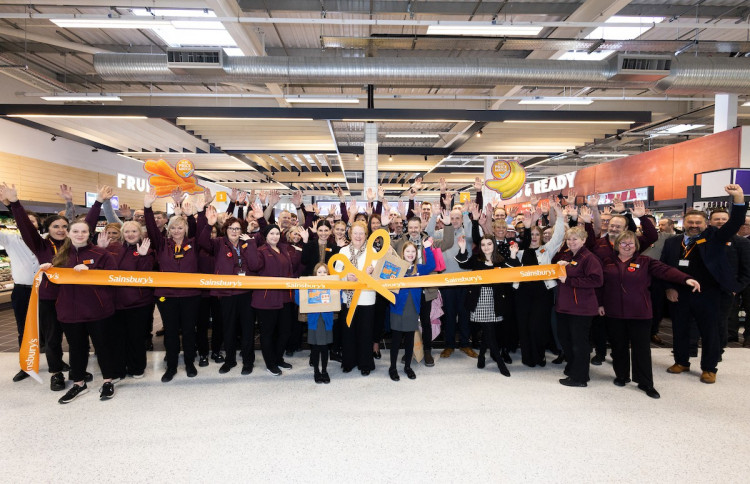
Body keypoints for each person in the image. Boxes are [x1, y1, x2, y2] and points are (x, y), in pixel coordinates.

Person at [2, 182, 104, 391]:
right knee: (52, 339)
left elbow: (88, 225)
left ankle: (78, 369)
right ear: (46, 229)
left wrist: (98, 203)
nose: (61, 230)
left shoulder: (75, 243)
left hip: (74, 298)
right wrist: (15, 203)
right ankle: (56, 372)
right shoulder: (40, 245)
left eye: (65, 227)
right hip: (49, 299)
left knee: (77, 338)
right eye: (56, 227)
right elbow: (25, 226)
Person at [660, 184, 747, 384]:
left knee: (710, 332)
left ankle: (709, 368)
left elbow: (735, 223)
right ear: (684, 222)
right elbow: (664, 267)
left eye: (698, 222)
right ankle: (681, 361)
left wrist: (739, 199)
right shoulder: (673, 242)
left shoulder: (715, 238)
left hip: (709, 294)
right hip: (680, 293)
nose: (694, 225)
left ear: (706, 223)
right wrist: (669, 288)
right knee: (680, 329)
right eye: (690, 222)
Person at [598, 231, 700, 399]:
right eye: (623, 243)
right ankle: (622, 376)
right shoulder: (607, 262)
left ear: (636, 246)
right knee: (618, 347)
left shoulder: (646, 261)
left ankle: (645, 382)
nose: (627, 246)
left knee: (642, 350)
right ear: (617, 246)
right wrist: (600, 303)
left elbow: (667, 271)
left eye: (630, 243)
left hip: (640, 313)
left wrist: (685, 279)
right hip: (614, 313)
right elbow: (601, 285)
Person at [42, 219, 118, 403]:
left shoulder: (101, 254)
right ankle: (78, 383)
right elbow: (52, 290)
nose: (79, 235)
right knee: (76, 349)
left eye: (84, 231)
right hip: (69, 312)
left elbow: (113, 279)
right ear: (68, 233)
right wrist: (47, 274)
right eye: (75, 231)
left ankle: (108, 381)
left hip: (97, 311)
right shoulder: (60, 257)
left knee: (103, 346)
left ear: (89, 233)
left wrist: (90, 272)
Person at [144, 188, 205, 383]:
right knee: (170, 331)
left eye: (180, 227)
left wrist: (200, 212)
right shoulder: (162, 244)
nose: (176, 231)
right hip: (166, 296)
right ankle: (171, 366)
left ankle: (189, 363)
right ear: (168, 230)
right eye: (173, 228)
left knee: (188, 330)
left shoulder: (193, 244)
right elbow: (152, 228)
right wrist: (147, 207)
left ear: (185, 229)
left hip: (190, 296)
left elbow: (201, 229)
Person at [200, 208, 256, 375]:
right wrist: (208, 225)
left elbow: (255, 263)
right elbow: (203, 242)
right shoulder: (218, 243)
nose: (234, 231)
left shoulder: (246, 242)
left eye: (238, 228)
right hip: (226, 293)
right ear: (226, 230)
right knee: (229, 328)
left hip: (246, 293)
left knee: (247, 329)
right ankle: (230, 360)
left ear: (242, 230)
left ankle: (248, 361)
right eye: (232, 228)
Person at [510, 201, 565, 367]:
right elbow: (524, 240)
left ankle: (539, 355)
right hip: (522, 293)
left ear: (541, 236)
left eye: (536, 234)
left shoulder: (546, 250)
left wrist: (560, 215)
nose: (533, 237)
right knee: (524, 326)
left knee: (537, 326)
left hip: (542, 293)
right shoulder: (519, 251)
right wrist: (529, 225)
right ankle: (528, 358)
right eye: (531, 234)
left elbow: (559, 236)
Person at [100, 220, 154, 380]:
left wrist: (144, 257)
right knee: (116, 338)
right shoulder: (112, 249)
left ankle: (137, 367)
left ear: (140, 234)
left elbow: (146, 276)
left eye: (134, 231)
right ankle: (118, 369)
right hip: (115, 303)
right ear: (123, 233)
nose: (130, 234)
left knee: (136, 337)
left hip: (138, 303)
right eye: (127, 231)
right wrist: (101, 250)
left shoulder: (147, 250)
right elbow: (101, 269)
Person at [456, 234, 514, 377]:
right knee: (489, 330)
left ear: (494, 245)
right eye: (483, 245)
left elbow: (514, 269)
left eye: (489, 244)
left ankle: (482, 355)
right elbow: (463, 264)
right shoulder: (476, 259)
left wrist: (513, 254)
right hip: (479, 298)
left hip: (496, 299)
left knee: (490, 330)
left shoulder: (500, 260)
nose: (486, 247)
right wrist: (463, 249)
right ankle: (500, 362)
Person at [555, 226, 603, 388]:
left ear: (583, 240)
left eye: (575, 238)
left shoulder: (589, 258)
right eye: (569, 239)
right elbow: (560, 276)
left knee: (579, 343)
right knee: (566, 339)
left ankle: (580, 377)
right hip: (564, 307)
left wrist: (567, 280)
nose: (571, 241)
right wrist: (558, 267)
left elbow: (596, 280)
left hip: (581, 308)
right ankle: (573, 368)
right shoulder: (568, 255)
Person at [245, 224, 296, 376]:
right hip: (267, 299)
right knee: (268, 333)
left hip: (285, 298)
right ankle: (270, 363)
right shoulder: (261, 250)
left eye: (277, 233)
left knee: (285, 331)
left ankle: (278, 358)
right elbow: (254, 266)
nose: (275, 236)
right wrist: (252, 244)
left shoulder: (283, 249)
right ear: (265, 236)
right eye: (271, 233)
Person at [388, 239, 435, 381]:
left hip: (412, 309)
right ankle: (392, 368)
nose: (410, 254)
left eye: (413, 251)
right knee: (396, 340)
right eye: (407, 251)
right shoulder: (396, 267)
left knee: (409, 340)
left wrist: (427, 248)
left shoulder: (419, 269)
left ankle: (407, 366)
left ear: (416, 254)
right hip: (397, 308)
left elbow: (432, 265)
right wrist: (389, 256)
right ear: (402, 253)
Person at [335, 221, 377, 376]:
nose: (358, 236)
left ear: (366, 235)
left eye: (361, 233)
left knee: (365, 332)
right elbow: (336, 272)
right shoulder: (343, 251)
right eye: (355, 233)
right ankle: (349, 361)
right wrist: (346, 276)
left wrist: (372, 271)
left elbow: (380, 275)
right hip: (348, 298)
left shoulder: (372, 251)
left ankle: (365, 363)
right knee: (348, 331)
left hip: (367, 298)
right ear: (350, 235)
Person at [295, 263, 336, 384]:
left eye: (324, 272)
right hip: (314, 321)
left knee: (324, 347)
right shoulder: (309, 286)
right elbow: (299, 301)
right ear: (315, 274)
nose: (322, 274)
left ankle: (324, 370)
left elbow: (338, 301)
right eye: (319, 272)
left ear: (328, 274)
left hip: (326, 320)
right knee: (316, 348)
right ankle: (316, 371)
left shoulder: (332, 285)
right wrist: (298, 287)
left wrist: (338, 290)